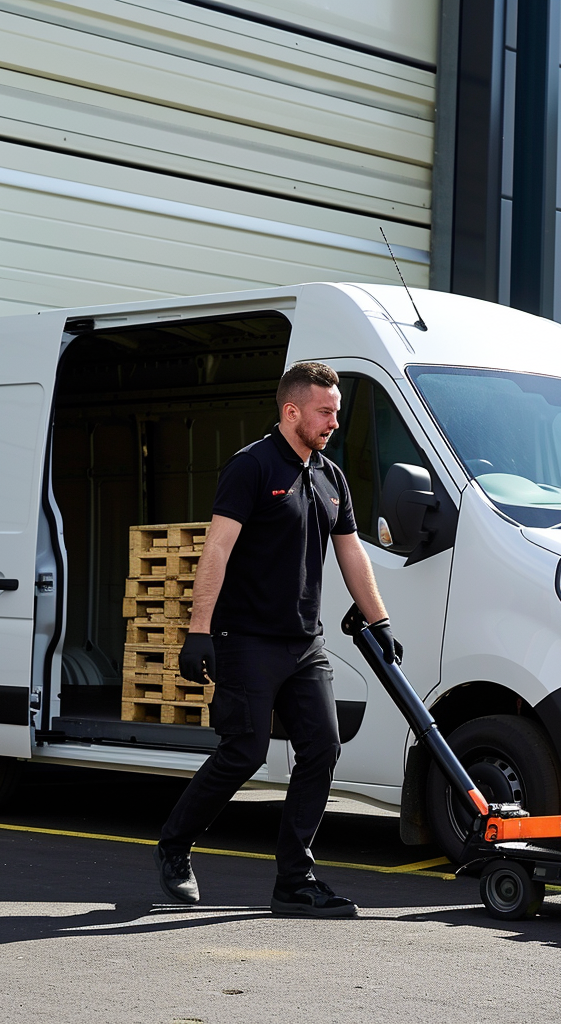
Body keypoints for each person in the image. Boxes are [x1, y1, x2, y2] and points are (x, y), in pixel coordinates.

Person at [153, 361, 402, 918]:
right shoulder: (251, 466)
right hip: (247, 639)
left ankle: (294, 881)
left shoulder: (330, 477)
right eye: (325, 411)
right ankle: (174, 845)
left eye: (336, 411)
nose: (334, 421)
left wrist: (379, 620)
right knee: (244, 751)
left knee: (323, 748)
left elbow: (351, 552)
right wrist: (198, 632)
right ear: (292, 411)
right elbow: (215, 549)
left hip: (304, 643)